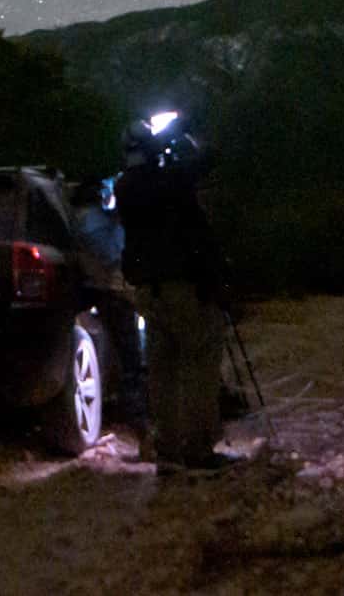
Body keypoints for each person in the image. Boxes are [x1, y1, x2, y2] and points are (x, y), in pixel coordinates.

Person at [111, 111, 238, 472]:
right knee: (199, 363)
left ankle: (167, 447)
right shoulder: (170, 181)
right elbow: (208, 160)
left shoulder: (125, 186)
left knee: (162, 368)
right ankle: (198, 449)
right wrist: (186, 134)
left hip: (148, 290)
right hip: (184, 285)